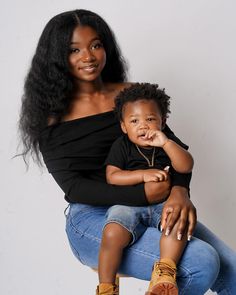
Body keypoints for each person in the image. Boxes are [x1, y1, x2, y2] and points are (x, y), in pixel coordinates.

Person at [18, 9, 236, 295]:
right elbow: (75, 187)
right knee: (200, 262)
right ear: (58, 56)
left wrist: (180, 192)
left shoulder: (130, 97)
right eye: (74, 50)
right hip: (93, 219)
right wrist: (141, 195)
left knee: (231, 269)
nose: (88, 56)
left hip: (155, 206)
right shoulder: (50, 116)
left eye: (96, 45)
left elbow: (170, 149)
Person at [99, 82, 194, 295]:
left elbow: (186, 165)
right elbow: (112, 176)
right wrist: (142, 175)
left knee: (177, 222)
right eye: (134, 121)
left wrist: (166, 143)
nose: (143, 126)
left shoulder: (167, 142)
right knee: (112, 232)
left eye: (150, 119)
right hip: (129, 205)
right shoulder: (122, 146)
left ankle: (164, 274)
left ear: (163, 121)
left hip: (164, 204)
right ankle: (106, 287)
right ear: (124, 126)